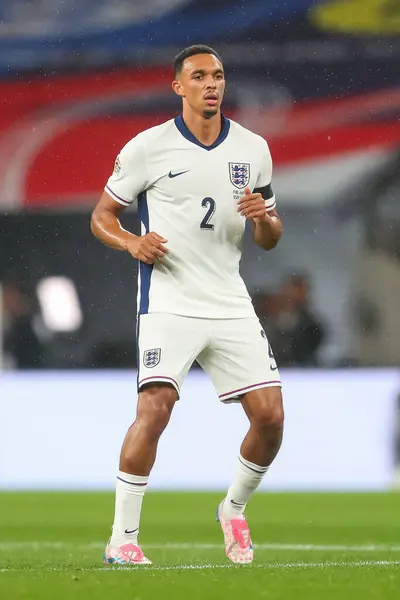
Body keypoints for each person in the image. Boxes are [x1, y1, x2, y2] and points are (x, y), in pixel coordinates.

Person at [91, 45, 284, 566]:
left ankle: (233, 508)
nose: (211, 84)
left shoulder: (253, 148)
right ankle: (122, 540)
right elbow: (103, 215)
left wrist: (262, 219)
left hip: (229, 300)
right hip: (169, 301)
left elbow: (269, 235)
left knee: (271, 419)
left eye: (218, 75)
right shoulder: (147, 148)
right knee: (154, 410)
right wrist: (132, 242)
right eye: (199, 76)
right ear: (179, 87)